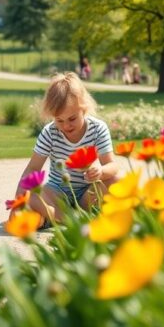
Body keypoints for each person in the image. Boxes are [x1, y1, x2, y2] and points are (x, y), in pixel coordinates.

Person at [14, 72, 120, 225]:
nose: (66, 126)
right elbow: (32, 168)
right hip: (58, 192)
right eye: (59, 120)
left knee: (117, 180)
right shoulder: (50, 132)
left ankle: (53, 218)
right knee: (31, 194)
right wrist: (19, 202)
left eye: (72, 119)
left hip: (88, 193)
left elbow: (113, 166)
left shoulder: (97, 129)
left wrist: (101, 172)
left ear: (83, 109)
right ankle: (66, 218)